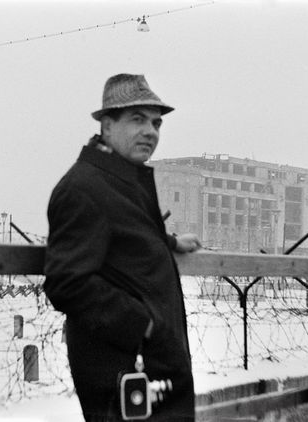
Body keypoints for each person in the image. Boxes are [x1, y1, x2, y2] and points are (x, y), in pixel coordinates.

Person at [44, 73, 201, 422]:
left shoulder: (124, 180)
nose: (151, 131)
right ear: (107, 125)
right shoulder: (83, 188)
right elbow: (66, 283)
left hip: (151, 365)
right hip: (122, 370)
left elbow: (128, 236)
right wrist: (142, 325)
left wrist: (170, 243)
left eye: (156, 123)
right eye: (137, 120)